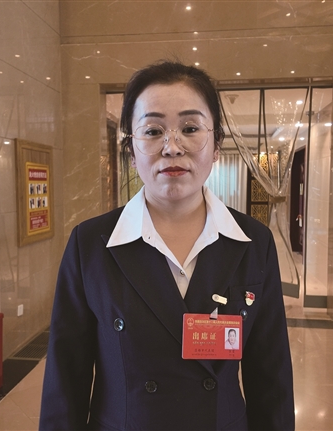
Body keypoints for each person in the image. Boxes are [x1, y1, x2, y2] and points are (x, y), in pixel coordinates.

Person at [40, 60, 295, 430]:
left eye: (190, 128)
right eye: (153, 131)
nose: (172, 147)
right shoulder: (90, 244)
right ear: (131, 151)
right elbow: (65, 381)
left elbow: (272, 380)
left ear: (216, 145)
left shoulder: (254, 243)